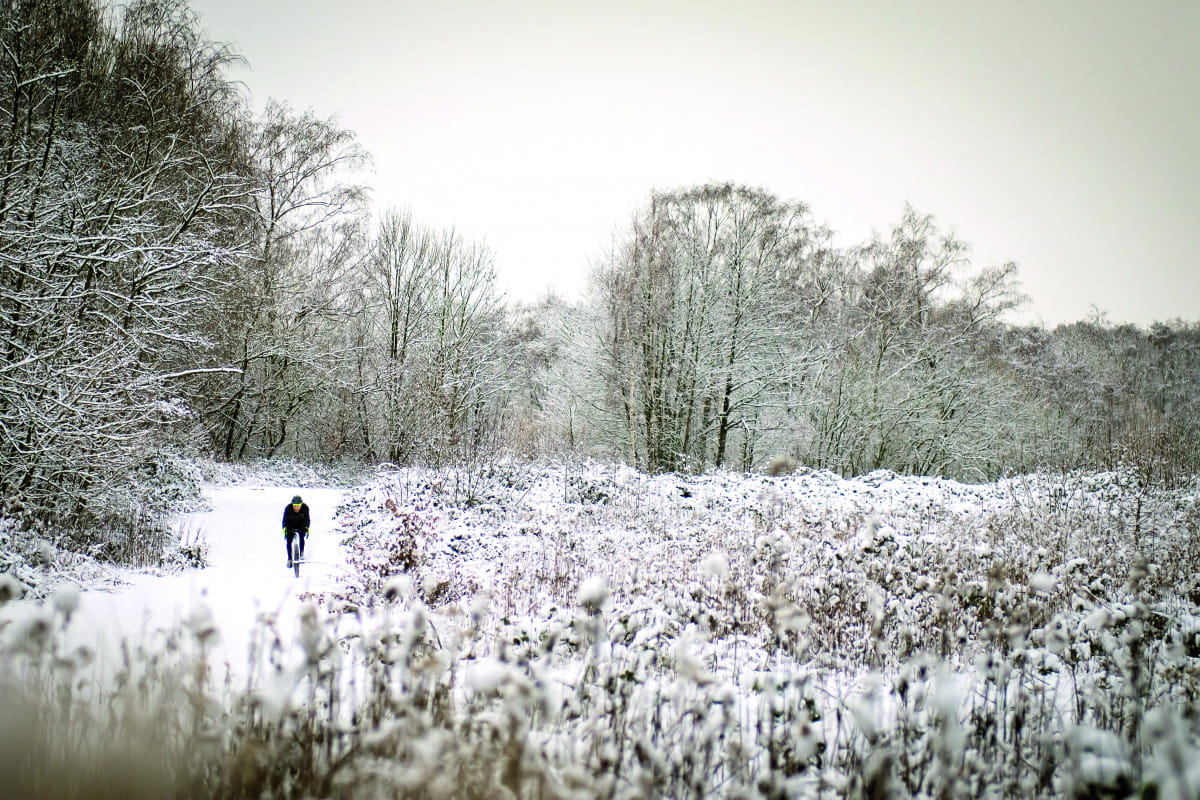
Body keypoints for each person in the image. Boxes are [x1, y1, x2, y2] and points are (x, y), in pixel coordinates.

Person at [282, 495, 311, 568]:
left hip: (301, 524)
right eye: (294, 505)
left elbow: (307, 519)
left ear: (301, 505)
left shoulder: (305, 508)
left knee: (301, 536)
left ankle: (301, 553)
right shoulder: (288, 508)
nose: (296, 507)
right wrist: (284, 529)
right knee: (289, 541)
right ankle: (289, 558)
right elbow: (284, 520)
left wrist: (307, 528)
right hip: (290, 524)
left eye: (298, 505)